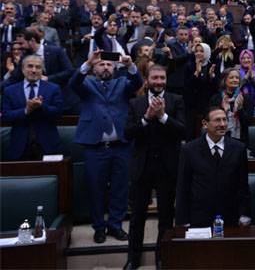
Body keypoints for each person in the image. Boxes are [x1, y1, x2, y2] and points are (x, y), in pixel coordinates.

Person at [69, 51, 143, 243]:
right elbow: (73, 84)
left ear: (114, 68)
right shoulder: (87, 83)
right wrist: (87, 62)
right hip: (96, 147)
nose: (105, 67)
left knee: (120, 188)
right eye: (101, 65)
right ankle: (99, 227)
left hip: (121, 146)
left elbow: (137, 83)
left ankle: (115, 226)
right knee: (96, 189)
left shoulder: (122, 83)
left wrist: (130, 66)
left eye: (109, 65)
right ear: (94, 68)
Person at [124, 65, 186, 269]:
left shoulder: (176, 100)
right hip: (142, 166)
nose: (159, 81)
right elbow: (128, 133)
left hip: (167, 167)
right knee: (137, 217)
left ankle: (162, 258)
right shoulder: (136, 103)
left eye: (162, 78)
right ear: (147, 79)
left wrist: (162, 117)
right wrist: (147, 118)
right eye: (155, 78)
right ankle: (133, 259)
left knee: (166, 216)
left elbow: (183, 131)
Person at [175, 107, 251, 228]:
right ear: (205, 124)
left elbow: (242, 186)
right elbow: (183, 187)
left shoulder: (239, 148)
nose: (222, 124)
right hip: (199, 217)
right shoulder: (189, 150)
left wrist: (244, 214)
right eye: (217, 120)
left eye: (224, 120)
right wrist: (182, 219)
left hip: (230, 217)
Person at [1, 55, 63, 161]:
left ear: (42, 70)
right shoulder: (10, 91)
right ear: (22, 69)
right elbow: (6, 116)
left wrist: (41, 106)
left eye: (38, 67)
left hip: (48, 146)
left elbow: (58, 113)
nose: (34, 70)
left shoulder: (53, 88)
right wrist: (26, 110)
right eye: (30, 66)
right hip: (19, 147)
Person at [209, 67, 252, 144]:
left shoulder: (245, 98)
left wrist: (240, 109)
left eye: (237, 78)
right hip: (219, 139)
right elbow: (212, 121)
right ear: (224, 80)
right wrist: (223, 111)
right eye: (231, 78)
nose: (235, 80)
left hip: (240, 139)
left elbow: (247, 122)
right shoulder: (216, 98)